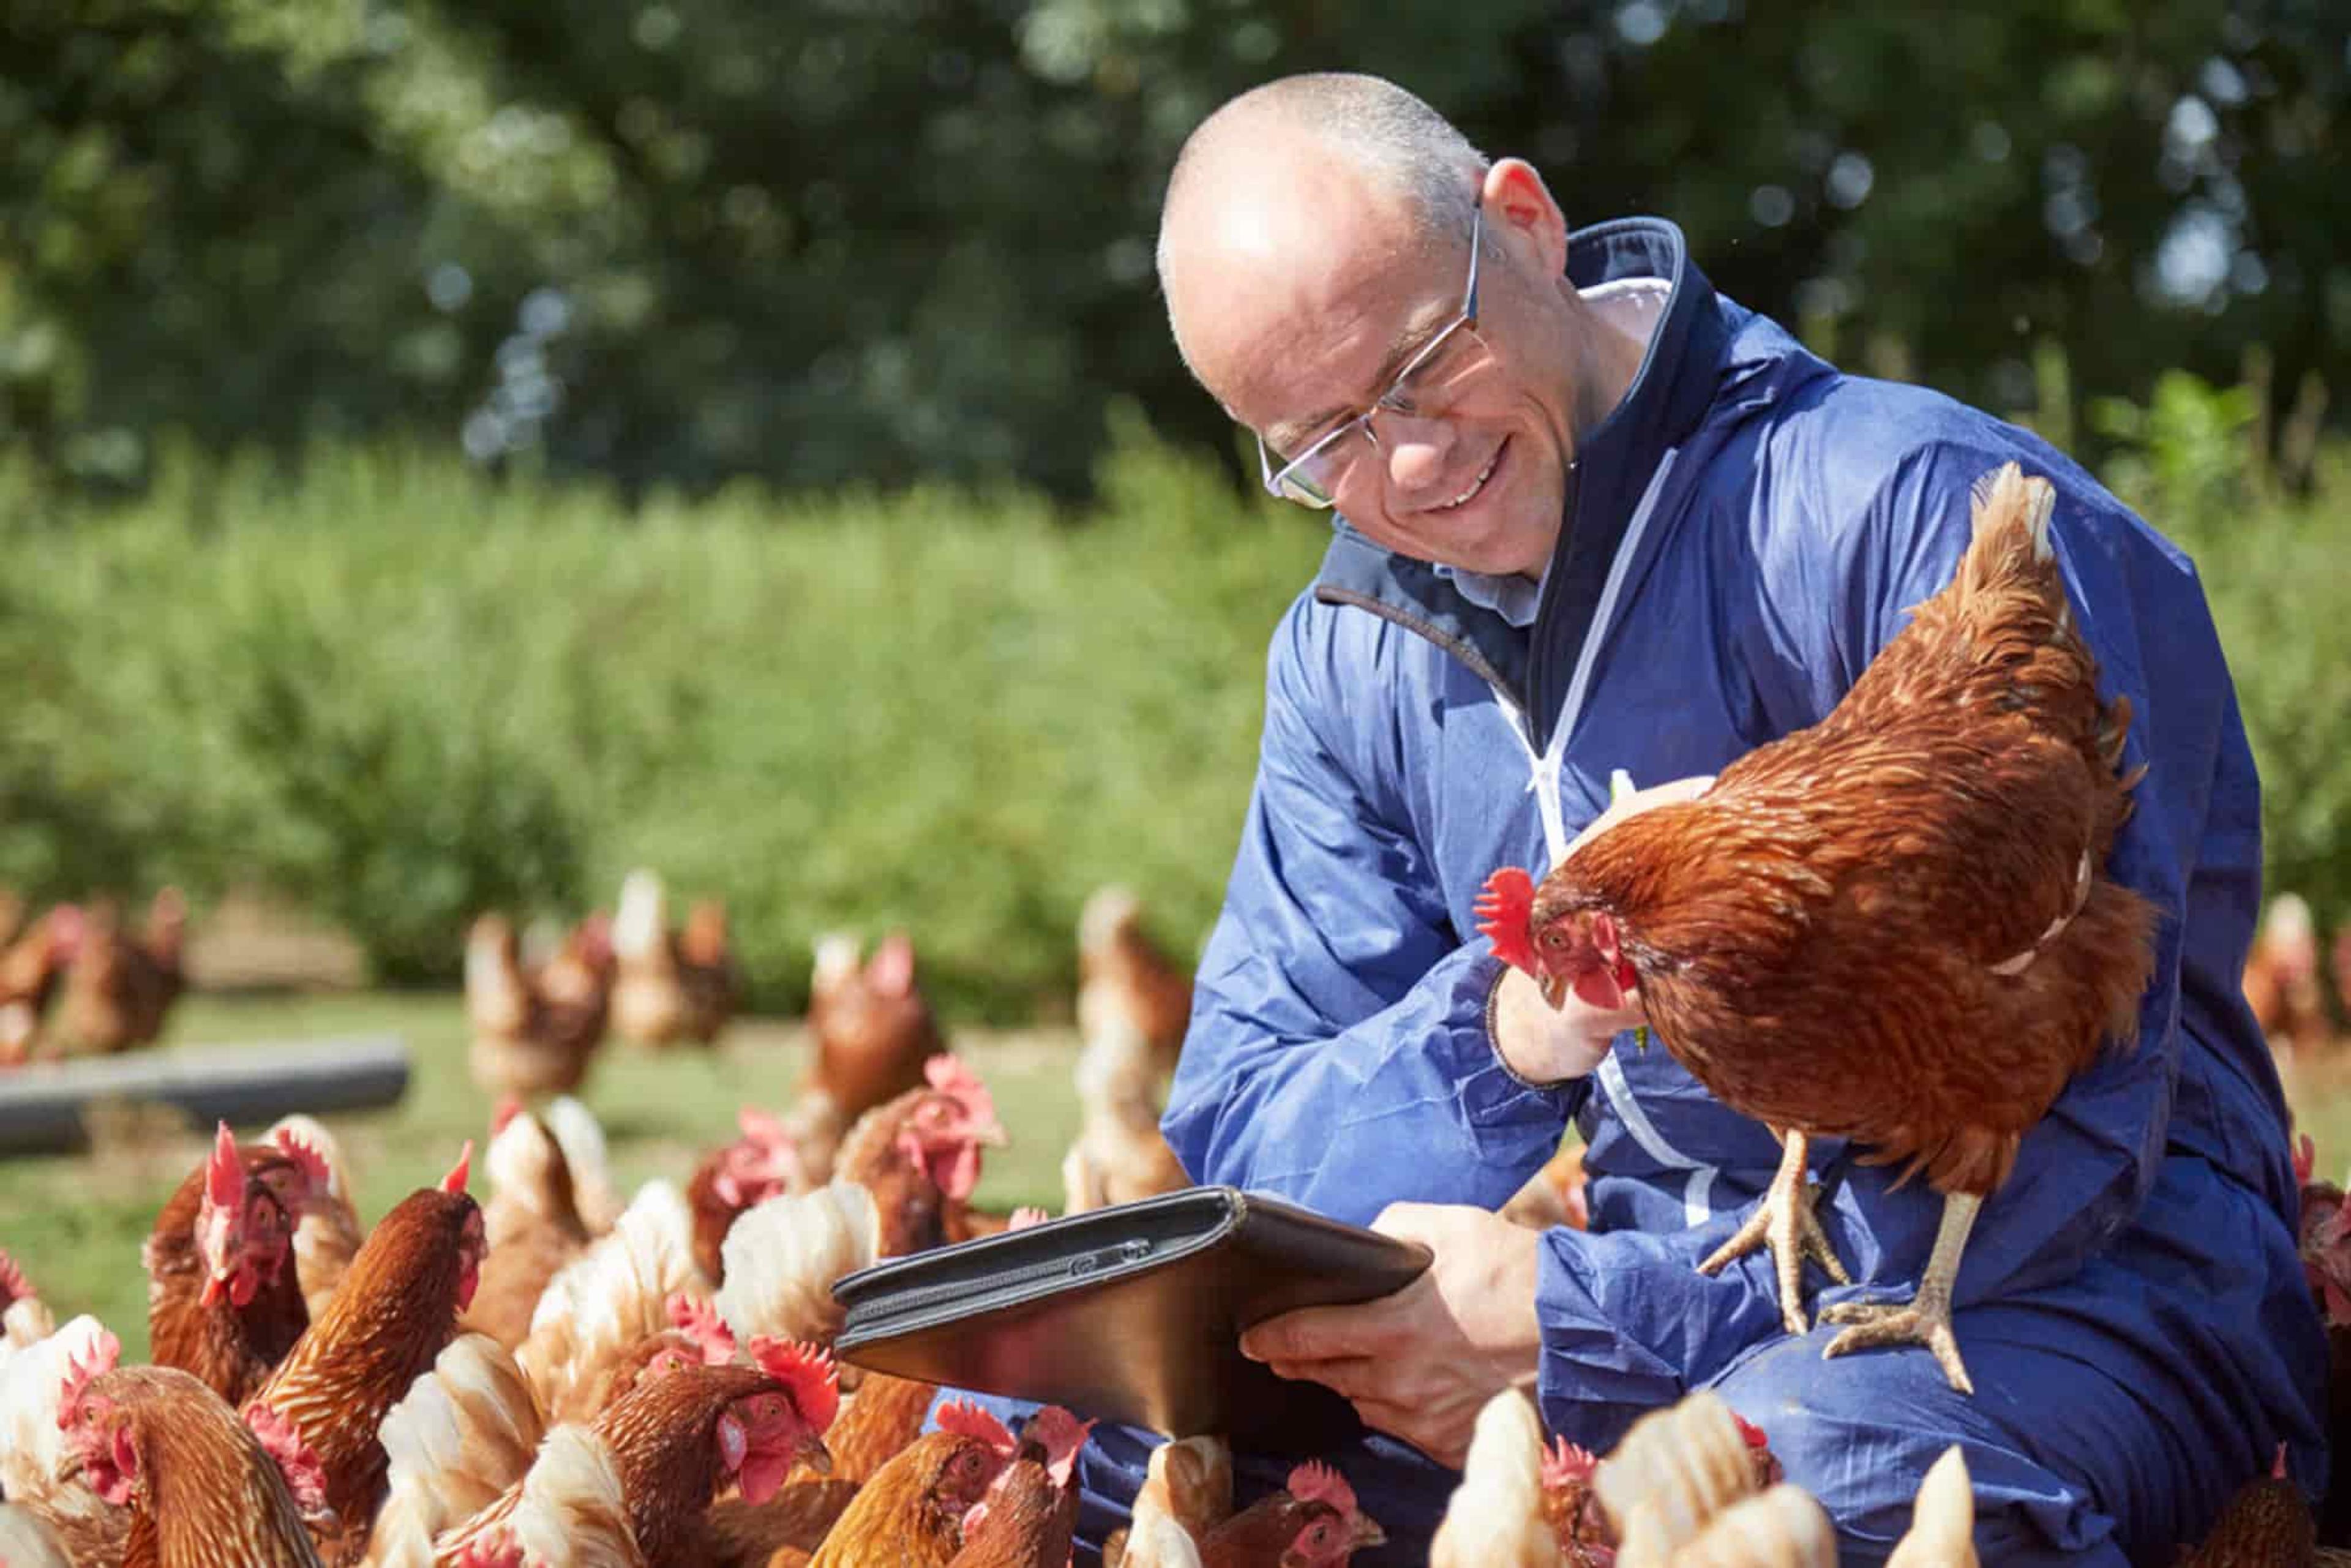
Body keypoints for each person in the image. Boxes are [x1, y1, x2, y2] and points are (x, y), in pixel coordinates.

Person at [941, 72, 2326, 1563]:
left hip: (2064, 1301)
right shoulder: (1354, 648)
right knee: (1073, 1466)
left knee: (1785, 1496)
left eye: (1423, 362)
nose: (1405, 465)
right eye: (1322, 440)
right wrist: (1506, 1035)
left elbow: (2078, 1133)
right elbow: (1248, 1142)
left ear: (1524, 228)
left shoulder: (1913, 520)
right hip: (1625, 1299)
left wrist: (1587, 1323)